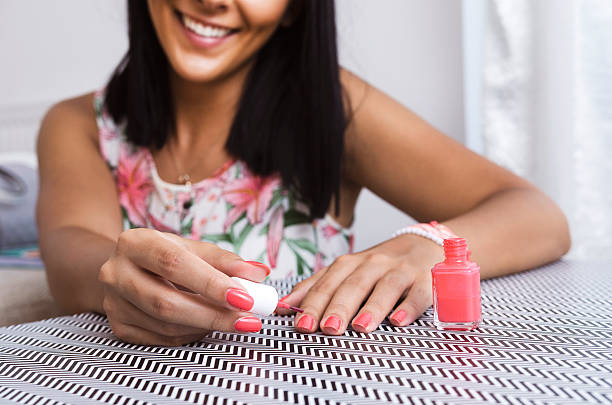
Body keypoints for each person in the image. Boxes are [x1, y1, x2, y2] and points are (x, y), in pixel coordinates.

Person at [36, 0, 570, 346]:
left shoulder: (333, 109)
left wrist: (422, 244)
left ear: (295, 9)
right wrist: (118, 271)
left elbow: (539, 215)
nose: (214, 1)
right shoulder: (76, 125)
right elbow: (68, 252)